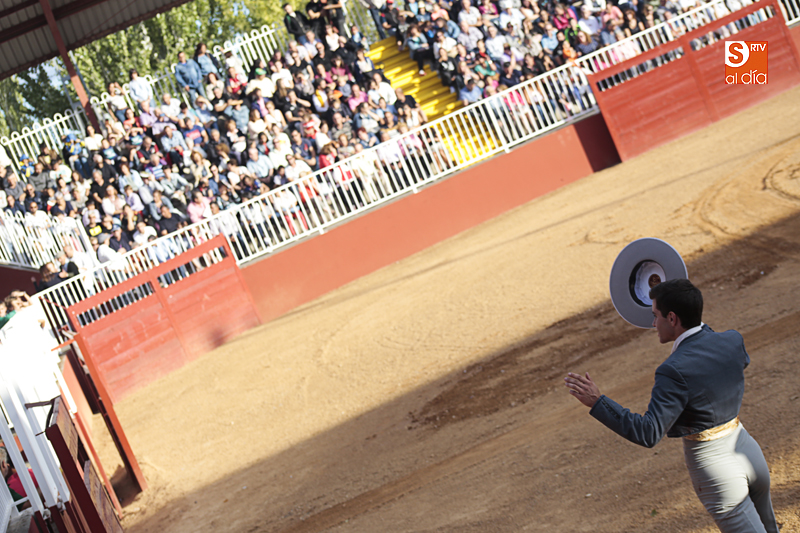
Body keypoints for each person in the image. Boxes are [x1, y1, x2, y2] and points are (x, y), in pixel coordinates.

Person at [564, 279, 779, 533]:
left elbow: (648, 432)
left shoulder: (673, 370)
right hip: (748, 449)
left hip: (715, 467)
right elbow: (732, 361)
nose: (653, 323)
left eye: (655, 315)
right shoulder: (732, 341)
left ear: (672, 318)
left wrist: (598, 402)